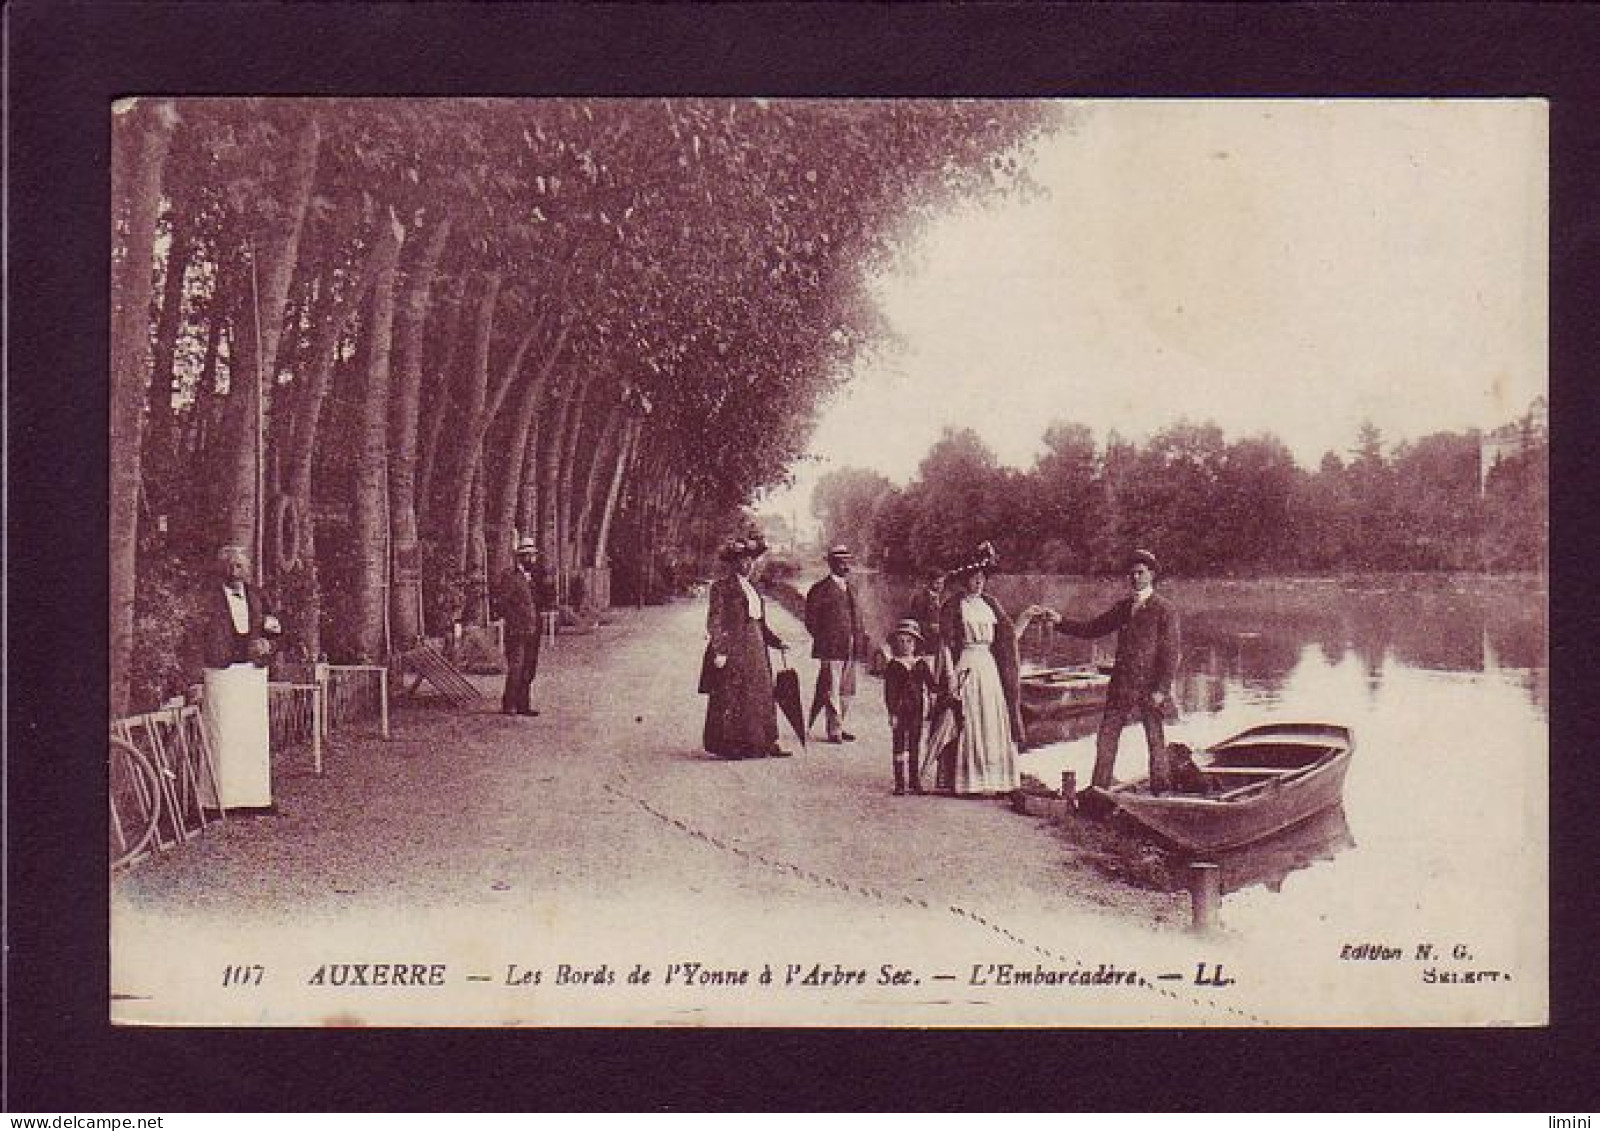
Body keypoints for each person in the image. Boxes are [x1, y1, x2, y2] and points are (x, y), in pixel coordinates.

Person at [1040, 549, 1180, 798]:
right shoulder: (1124, 607)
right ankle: (1098, 790)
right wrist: (1060, 621)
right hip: (1121, 685)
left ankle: (1162, 791)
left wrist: (1162, 690)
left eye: (1141, 573)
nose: (1135, 578)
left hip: (1150, 688)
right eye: (1132, 574)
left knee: (1155, 738)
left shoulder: (1165, 610)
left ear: (1152, 575)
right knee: (1106, 739)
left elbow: (1170, 656)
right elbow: (1093, 628)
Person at [928, 543, 1042, 797]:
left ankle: (994, 780)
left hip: (988, 668)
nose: (978, 583)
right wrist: (949, 677)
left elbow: (1009, 638)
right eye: (973, 578)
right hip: (967, 664)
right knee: (967, 719)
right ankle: (967, 781)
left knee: (991, 718)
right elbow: (945, 645)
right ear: (964, 581)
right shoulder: (953, 606)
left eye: (982, 579)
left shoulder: (991, 605)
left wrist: (1025, 617)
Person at [195, 544, 280, 811]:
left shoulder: (258, 596)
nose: (235, 571)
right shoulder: (207, 597)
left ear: (248, 569)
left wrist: (269, 644)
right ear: (221, 569)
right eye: (230, 565)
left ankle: (255, 799)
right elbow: (194, 637)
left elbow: (275, 629)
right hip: (221, 673)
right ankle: (217, 801)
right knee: (222, 737)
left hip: (251, 674)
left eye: (240, 565)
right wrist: (194, 678)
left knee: (251, 736)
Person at [699, 536, 793, 760]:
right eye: (742, 560)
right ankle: (732, 745)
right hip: (735, 647)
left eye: (751, 560)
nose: (748, 565)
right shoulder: (721, 587)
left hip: (756, 647)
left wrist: (776, 641)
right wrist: (720, 649)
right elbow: (715, 620)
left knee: (762, 694)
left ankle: (766, 742)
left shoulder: (753, 589)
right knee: (735, 695)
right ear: (733, 563)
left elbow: (759, 622)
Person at [804, 544, 867, 743]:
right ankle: (834, 730)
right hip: (831, 647)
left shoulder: (851, 588)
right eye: (841, 562)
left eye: (847, 561)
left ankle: (839, 724)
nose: (845, 566)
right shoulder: (819, 589)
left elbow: (858, 617)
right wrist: (824, 639)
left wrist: (859, 639)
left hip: (851, 645)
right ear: (831, 564)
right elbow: (811, 621)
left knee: (847, 690)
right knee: (832, 688)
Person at [493, 538, 548, 717]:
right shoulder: (510, 576)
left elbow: (539, 602)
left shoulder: (534, 577)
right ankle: (509, 704)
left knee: (529, 668)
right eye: (530, 556)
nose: (533, 559)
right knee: (516, 667)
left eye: (533, 556)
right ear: (522, 557)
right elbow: (502, 602)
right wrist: (514, 619)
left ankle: (523, 704)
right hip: (517, 630)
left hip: (533, 628)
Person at [883, 619, 938, 796]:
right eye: (901, 641)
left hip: (917, 709)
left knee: (915, 743)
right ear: (895, 644)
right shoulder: (893, 665)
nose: (905, 645)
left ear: (916, 644)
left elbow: (931, 685)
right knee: (899, 744)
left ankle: (914, 781)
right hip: (900, 709)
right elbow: (889, 692)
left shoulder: (920, 664)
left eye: (909, 641)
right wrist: (892, 713)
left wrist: (942, 691)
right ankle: (900, 782)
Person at [906, 568, 946, 658]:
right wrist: (929, 627)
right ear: (930, 582)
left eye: (942, 583)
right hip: (925, 641)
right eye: (937, 583)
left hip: (940, 641)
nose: (940, 586)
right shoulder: (920, 599)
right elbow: (915, 621)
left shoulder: (943, 599)